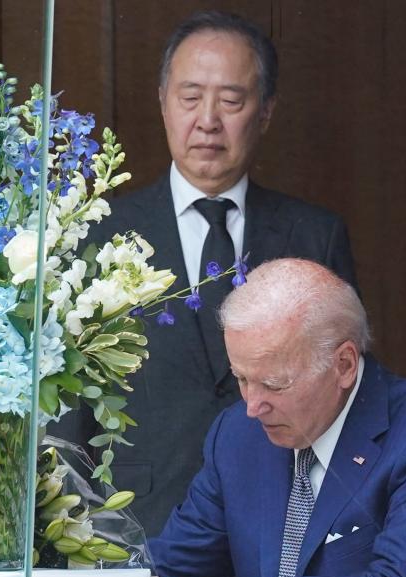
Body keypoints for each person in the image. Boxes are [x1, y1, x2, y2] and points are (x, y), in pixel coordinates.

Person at [60, 11, 357, 536]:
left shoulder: (315, 236)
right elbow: (68, 405)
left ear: (264, 112)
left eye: (232, 100)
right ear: (163, 102)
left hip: (282, 516)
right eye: (190, 97)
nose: (208, 120)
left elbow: (344, 390)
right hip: (134, 518)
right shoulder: (96, 234)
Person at [144, 258, 406, 577]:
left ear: (343, 364)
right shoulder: (236, 435)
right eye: (242, 379)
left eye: (275, 384)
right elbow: (174, 572)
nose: (252, 406)